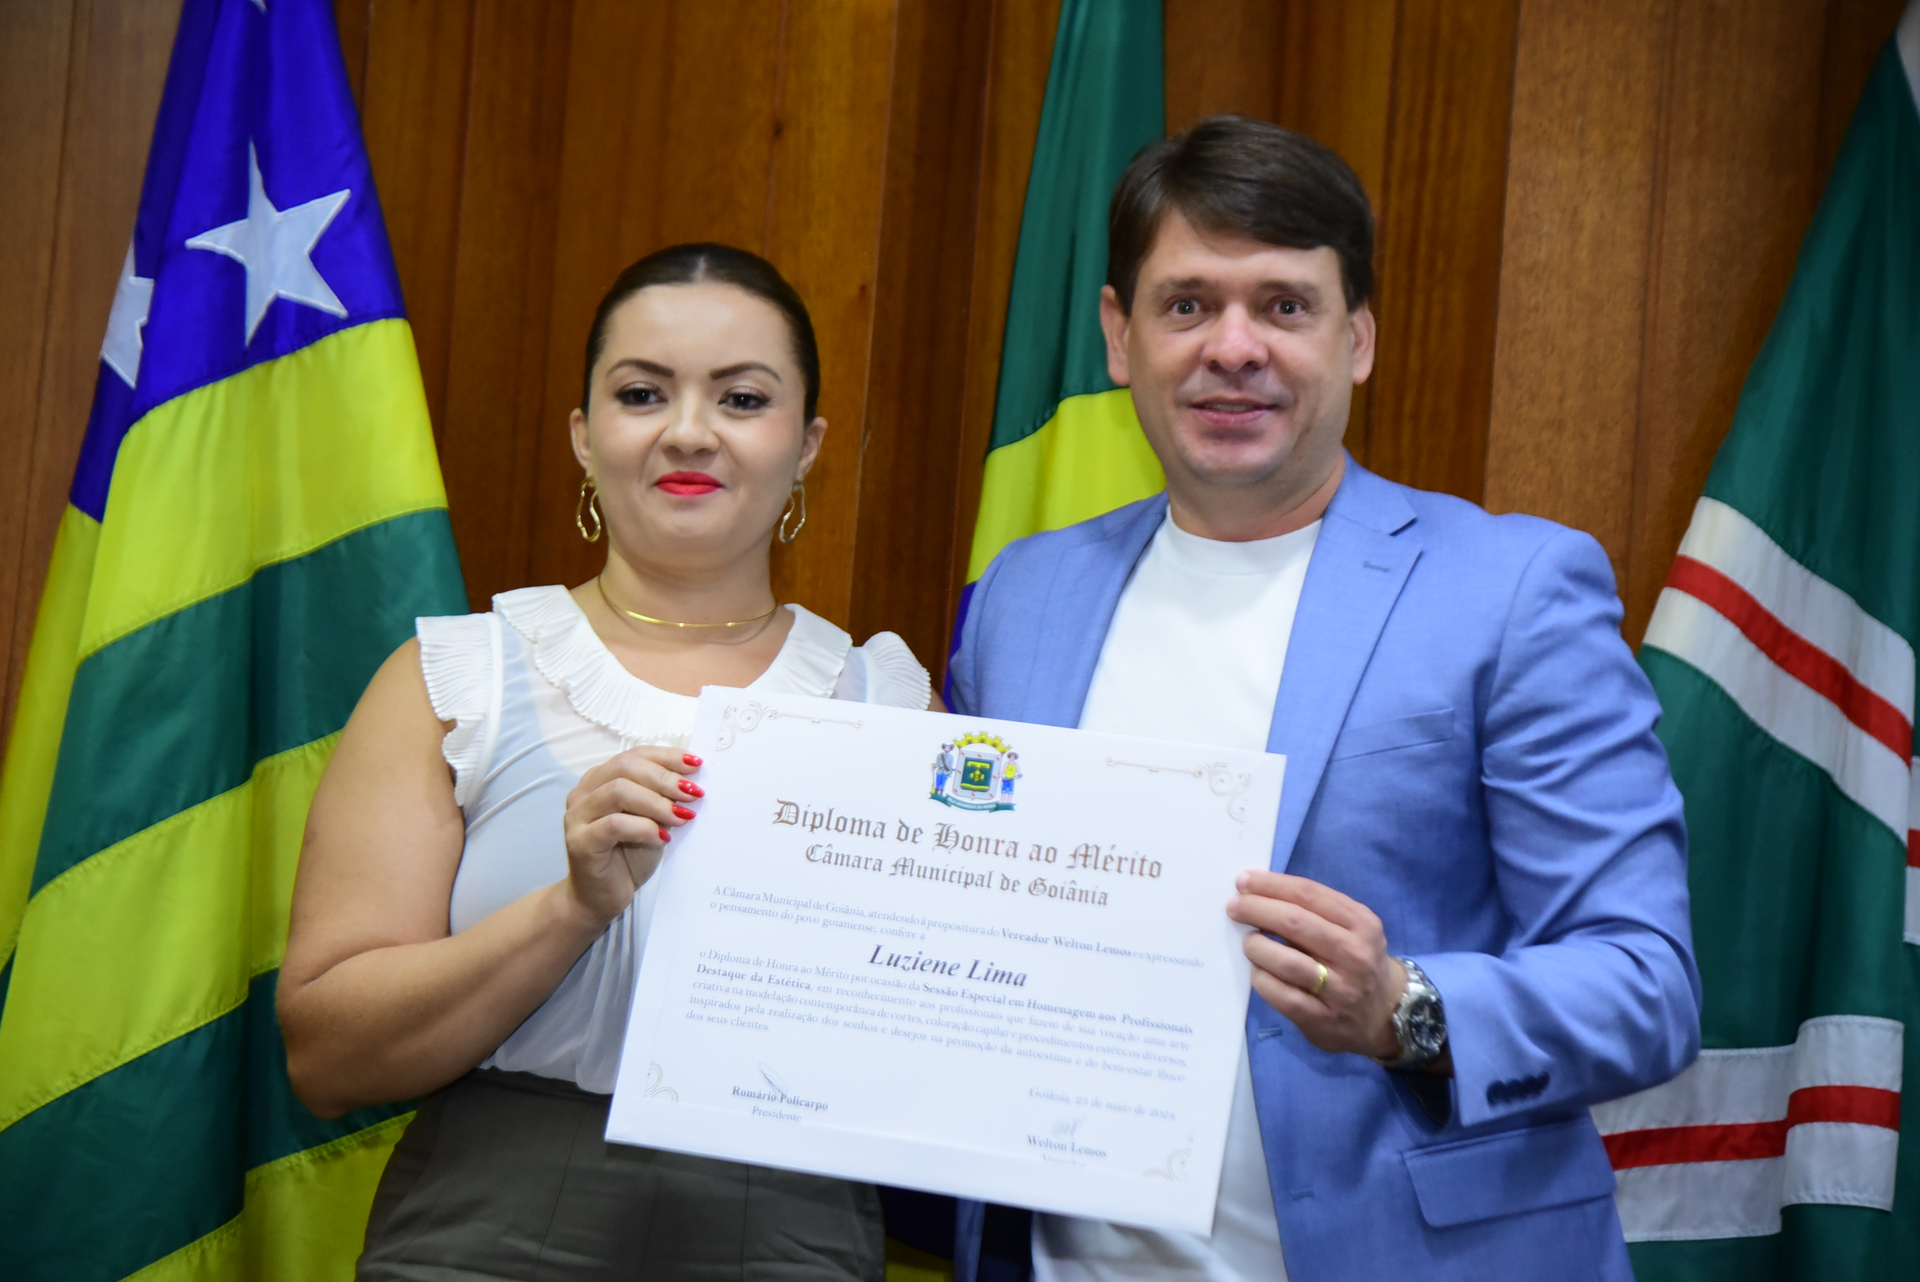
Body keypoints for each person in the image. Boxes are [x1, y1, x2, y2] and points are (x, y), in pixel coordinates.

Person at [946, 117, 1699, 1281]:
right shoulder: (1022, 596)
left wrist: (1403, 1007)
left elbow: (1646, 986)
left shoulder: (1512, 589)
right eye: (1187, 304)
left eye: (1284, 306)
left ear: (1357, 340)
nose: (1232, 348)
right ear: (1118, 335)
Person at [278, 243, 936, 1281]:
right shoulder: (454, 679)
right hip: (487, 1220)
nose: (689, 431)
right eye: (642, 393)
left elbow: (942, 1039)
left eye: (742, 399)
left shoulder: (890, 706)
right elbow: (326, 1059)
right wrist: (571, 907)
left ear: (807, 443)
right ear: (584, 435)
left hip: (792, 1226)